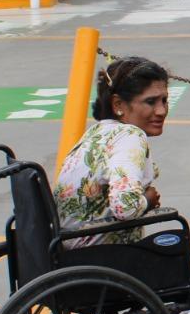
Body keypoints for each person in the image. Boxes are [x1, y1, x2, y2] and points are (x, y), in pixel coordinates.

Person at [54, 56, 172, 248]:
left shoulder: (97, 132)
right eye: (150, 102)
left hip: (70, 252)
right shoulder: (129, 136)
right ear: (118, 105)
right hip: (104, 259)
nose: (161, 111)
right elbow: (125, 207)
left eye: (164, 100)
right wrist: (148, 200)